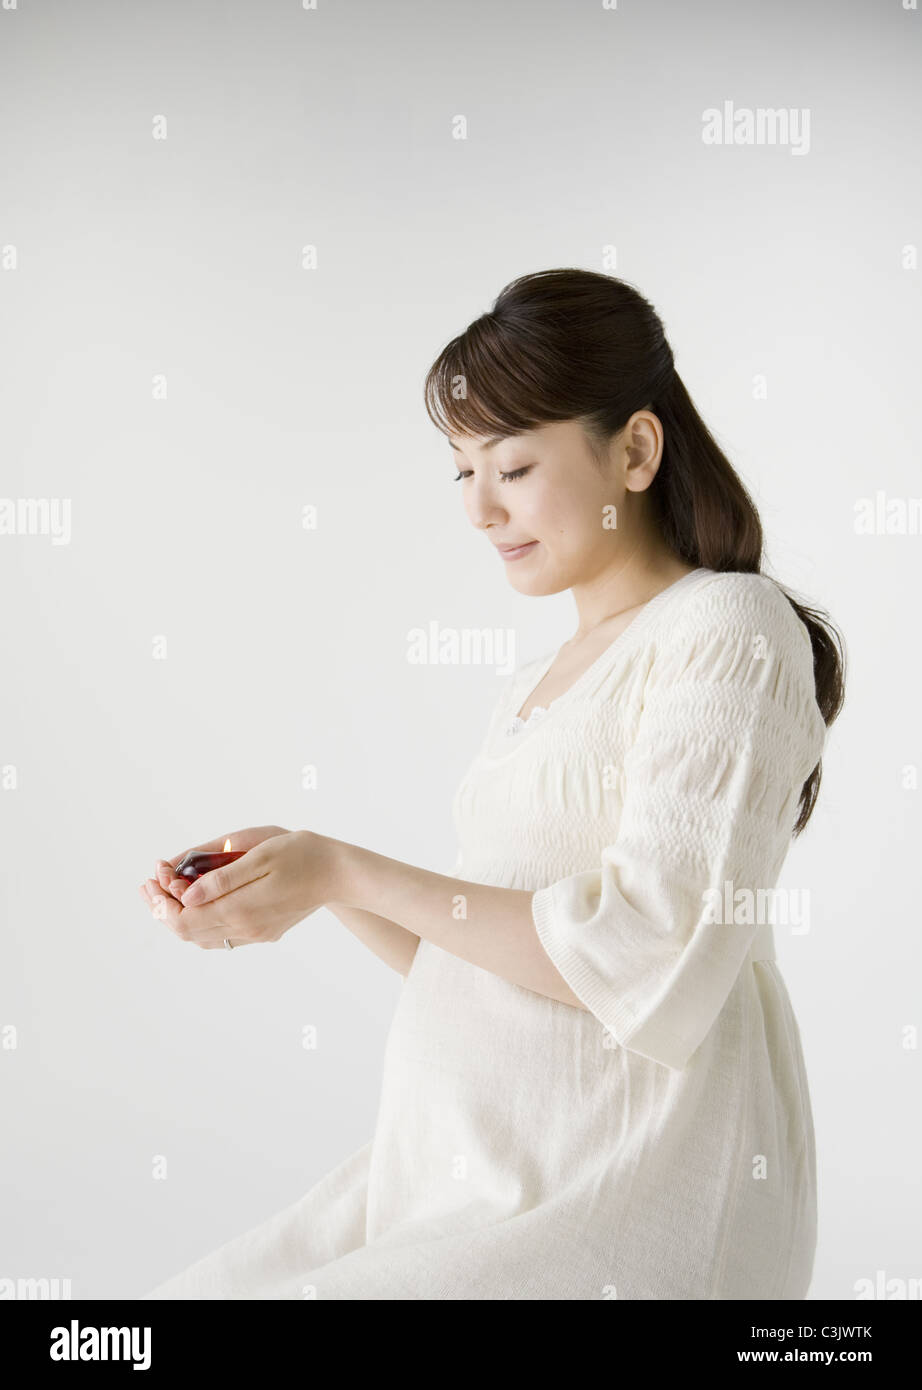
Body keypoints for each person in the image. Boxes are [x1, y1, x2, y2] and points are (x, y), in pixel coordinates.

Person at [140, 268, 845, 1300]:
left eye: (511, 465)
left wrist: (349, 865)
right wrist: (314, 880)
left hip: (612, 1188)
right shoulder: (536, 683)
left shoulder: (725, 627)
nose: (478, 508)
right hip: (452, 1175)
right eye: (460, 471)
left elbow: (646, 950)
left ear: (637, 450)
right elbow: (503, 965)